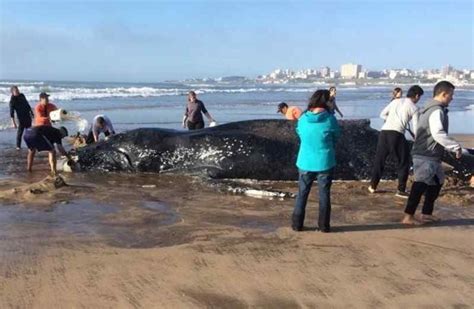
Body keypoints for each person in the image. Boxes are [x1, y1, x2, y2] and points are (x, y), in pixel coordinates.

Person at [402, 81, 464, 225]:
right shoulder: (436, 110)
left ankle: (426, 213)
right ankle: (408, 216)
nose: (452, 98)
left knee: (437, 182)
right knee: (420, 184)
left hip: (432, 155)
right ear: (443, 94)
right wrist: (456, 146)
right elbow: (438, 133)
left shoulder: (431, 108)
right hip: (426, 154)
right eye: (451, 95)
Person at [291, 89, 341, 233]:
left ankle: (297, 225)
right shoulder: (330, 119)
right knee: (324, 194)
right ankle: (324, 226)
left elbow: (299, 133)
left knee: (302, 193)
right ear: (327, 102)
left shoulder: (302, 119)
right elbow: (336, 136)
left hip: (305, 161)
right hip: (325, 161)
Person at [368, 85, 424, 198]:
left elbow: (382, 114)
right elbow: (416, 127)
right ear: (417, 96)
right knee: (404, 162)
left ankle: (373, 186)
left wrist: (391, 119)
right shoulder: (414, 108)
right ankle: (401, 190)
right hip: (397, 134)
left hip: (384, 132)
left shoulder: (395, 101)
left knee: (380, 160)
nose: (419, 99)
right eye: (420, 97)